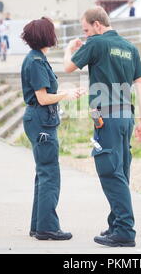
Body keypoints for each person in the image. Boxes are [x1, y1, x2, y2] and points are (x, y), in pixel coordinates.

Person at [63, 6, 141, 247]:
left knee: (110, 172)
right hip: (126, 117)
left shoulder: (97, 43)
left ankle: (124, 230)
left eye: (87, 29)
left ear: (98, 25)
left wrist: (70, 49)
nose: (86, 34)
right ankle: (115, 224)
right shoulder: (130, 48)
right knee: (120, 171)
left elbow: (68, 67)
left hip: (107, 118)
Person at [20, 17, 85, 241]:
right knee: (49, 174)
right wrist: (67, 94)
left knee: (43, 173)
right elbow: (43, 98)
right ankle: (47, 228)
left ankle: (38, 225)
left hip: (38, 120)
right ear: (46, 36)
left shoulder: (37, 58)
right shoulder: (36, 62)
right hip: (41, 121)